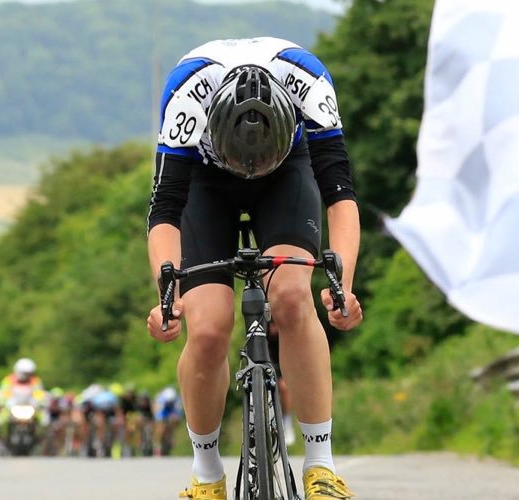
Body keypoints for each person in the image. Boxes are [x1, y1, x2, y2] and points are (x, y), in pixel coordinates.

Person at [144, 37, 364, 500]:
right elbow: (165, 210)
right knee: (207, 329)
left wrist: (342, 284)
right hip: (206, 180)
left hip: (288, 174)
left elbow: (339, 195)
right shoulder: (186, 92)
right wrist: (168, 297)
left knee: (290, 296)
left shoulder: (310, 83)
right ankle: (207, 475)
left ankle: (321, 467)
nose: (250, 169)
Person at [152, 386, 184, 457]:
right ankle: (157, 446)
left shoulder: (176, 399)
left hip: (172, 410)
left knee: (174, 420)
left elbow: (178, 412)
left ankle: (171, 435)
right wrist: (159, 421)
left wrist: (175, 420)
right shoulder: (161, 399)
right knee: (160, 428)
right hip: (163, 411)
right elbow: (157, 413)